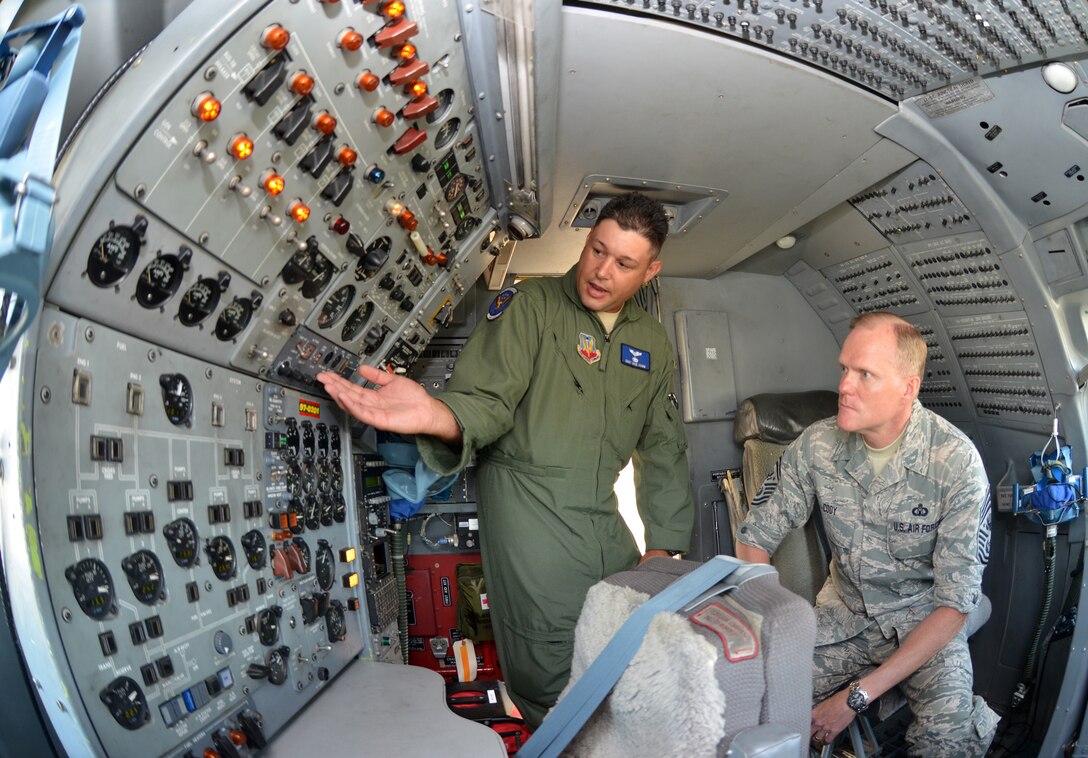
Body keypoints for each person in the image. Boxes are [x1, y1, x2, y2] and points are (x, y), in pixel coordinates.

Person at [318, 192, 693, 727]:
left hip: (603, 518)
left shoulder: (651, 339)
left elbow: (663, 447)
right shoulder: (530, 304)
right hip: (529, 510)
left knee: (630, 652)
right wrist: (435, 416)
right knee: (554, 672)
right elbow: (486, 401)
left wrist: (661, 551)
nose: (602, 271)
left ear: (651, 270)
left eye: (624, 263)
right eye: (596, 250)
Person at [735, 312, 999, 757]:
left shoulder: (956, 463)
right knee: (750, 701)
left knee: (949, 742)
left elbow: (954, 606)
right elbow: (753, 538)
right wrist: (774, 624)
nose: (844, 386)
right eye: (844, 369)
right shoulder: (818, 445)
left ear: (907, 388)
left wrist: (854, 699)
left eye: (865, 375)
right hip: (845, 614)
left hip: (924, 625)